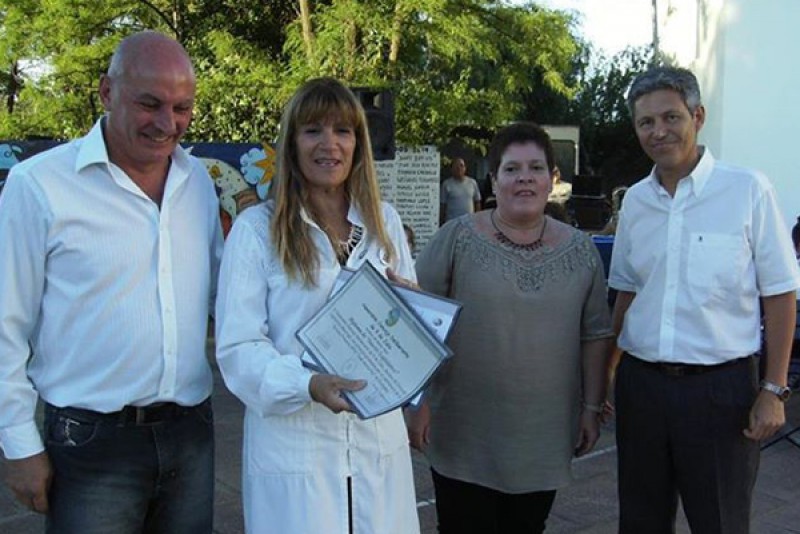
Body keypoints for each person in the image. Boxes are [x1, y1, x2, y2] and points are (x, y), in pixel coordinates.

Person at [0, 31, 223, 532]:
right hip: (89, 445)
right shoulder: (38, 185)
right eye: (150, 104)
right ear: (106, 92)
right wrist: (18, 444)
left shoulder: (197, 183)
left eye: (182, 108)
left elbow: (223, 297)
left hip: (192, 434)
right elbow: (4, 322)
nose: (167, 123)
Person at [214, 77, 420, 534]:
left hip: (376, 445)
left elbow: (405, 337)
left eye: (342, 131)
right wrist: (307, 384)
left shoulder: (384, 222)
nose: (330, 144)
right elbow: (238, 348)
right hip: (297, 447)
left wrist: (412, 310)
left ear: (358, 143)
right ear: (292, 143)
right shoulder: (257, 230)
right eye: (313, 130)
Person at [608, 66, 800, 534]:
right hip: (642, 389)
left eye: (670, 117)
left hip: (720, 393)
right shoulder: (635, 201)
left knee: (720, 522)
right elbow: (627, 292)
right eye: (645, 122)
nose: (658, 131)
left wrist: (773, 390)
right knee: (640, 521)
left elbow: (780, 294)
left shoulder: (747, 189)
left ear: (697, 116)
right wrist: (606, 376)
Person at [410, 122, 612, 533]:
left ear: (551, 179)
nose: (524, 178)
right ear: (493, 179)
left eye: (536, 168)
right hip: (464, 432)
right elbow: (418, 320)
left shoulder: (581, 251)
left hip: (542, 435)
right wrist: (417, 403)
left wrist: (592, 408)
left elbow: (594, 335)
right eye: (512, 168)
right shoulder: (456, 238)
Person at [440, 157, 481, 224]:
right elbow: (443, 206)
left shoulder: (472, 183)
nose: (459, 168)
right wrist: (442, 223)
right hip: (452, 223)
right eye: (456, 166)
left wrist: (477, 220)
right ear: (452, 169)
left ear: (465, 168)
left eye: (461, 166)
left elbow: (477, 202)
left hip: (469, 223)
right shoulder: (446, 184)